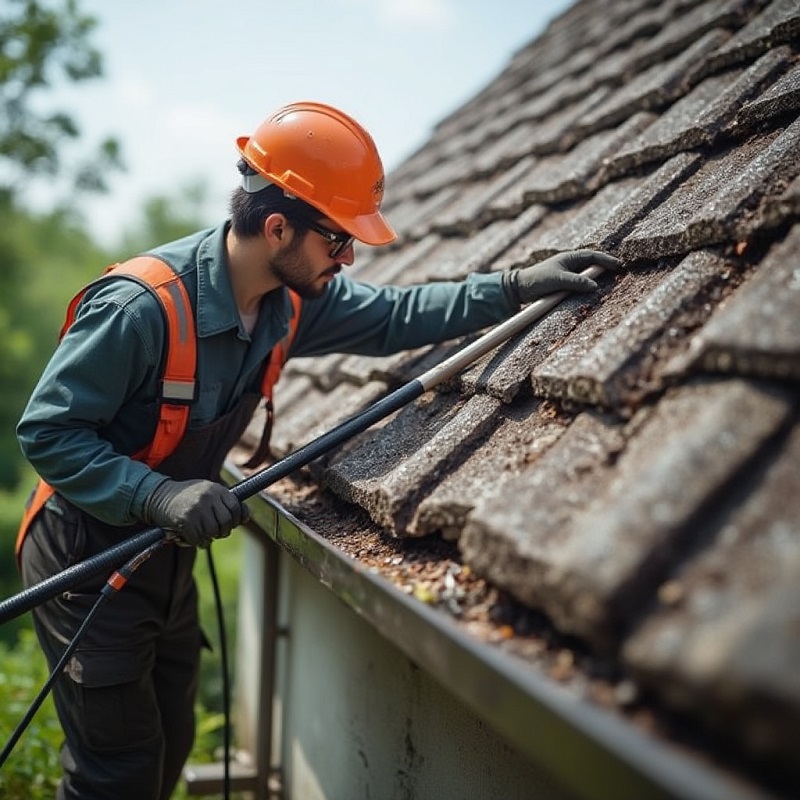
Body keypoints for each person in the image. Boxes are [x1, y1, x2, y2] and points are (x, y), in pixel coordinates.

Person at [15, 100, 621, 799]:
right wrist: (157, 495)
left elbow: (397, 316)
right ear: (278, 227)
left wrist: (514, 288)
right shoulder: (142, 309)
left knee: (169, 743)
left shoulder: (290, 300)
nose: (349, 257)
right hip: (87, 554)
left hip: (162, 551)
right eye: (337, 240)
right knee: (115, 773)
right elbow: (47, 432)